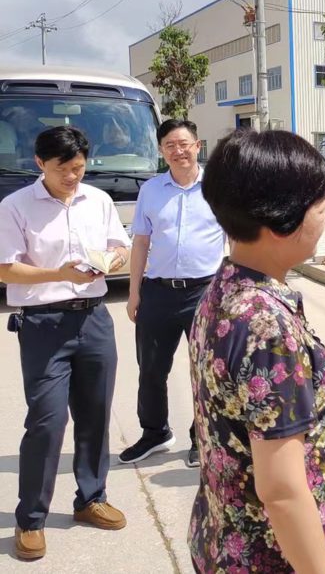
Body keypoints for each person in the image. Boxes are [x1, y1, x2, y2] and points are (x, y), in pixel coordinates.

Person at [188, 129, 325, 573]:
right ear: (282, 220)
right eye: (320, 208)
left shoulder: (224, 285)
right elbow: (282, 491)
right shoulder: (267, 328)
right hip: (271, 557)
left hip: (222, 535)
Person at [0, 126, 131, 561]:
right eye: (63, 170)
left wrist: (109, 261)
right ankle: (31, 519)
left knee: (95, 415)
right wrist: (63, 274)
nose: (74, 176)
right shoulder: (15, 206)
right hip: (44, 324)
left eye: (79, 167)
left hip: (94, 320)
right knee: (47, 422)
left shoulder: (99, 200)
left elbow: (122, 249)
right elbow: (6, 270)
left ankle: (90, 499)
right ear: (40, 164)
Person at [120, 119, 224, 468]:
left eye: (184, 144)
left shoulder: (218, 187)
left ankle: (201, 436)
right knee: (150, 368)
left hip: (205, 292)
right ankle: (155, 433)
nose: (177, 151)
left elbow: (237, 239)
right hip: (158, 292)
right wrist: (134, 292)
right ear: (161, 151)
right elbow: (141, 243)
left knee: (205, 370)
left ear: (198, 146)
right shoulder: (151, 190)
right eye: (170, 145)